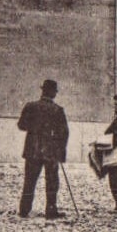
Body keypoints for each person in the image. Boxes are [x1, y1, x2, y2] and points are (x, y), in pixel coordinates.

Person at [17, 79, 69, 219]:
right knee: (52, 182)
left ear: (43, 91)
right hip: (50, 152)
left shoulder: (30, 106)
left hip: (32, 150)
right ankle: (51, 211)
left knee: (29, 180)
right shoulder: (57, 110)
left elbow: (21, 125)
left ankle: (24, 209)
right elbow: (64, 133)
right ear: (53, 93)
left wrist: (34, 128)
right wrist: (61, 153)